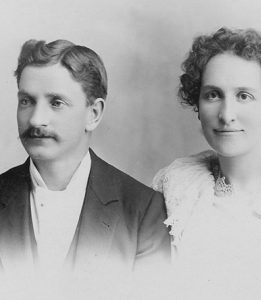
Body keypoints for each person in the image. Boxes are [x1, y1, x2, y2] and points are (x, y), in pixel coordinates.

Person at [0, 39, 170, 295]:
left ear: (94, 114)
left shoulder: (143, 211)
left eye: (56, 102)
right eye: (26, 101)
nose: (35, 119)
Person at [153, 27, 261, 299]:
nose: (226, 114)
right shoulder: (178, 188)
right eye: (213, 95)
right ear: (197, 106)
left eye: (244, 95)